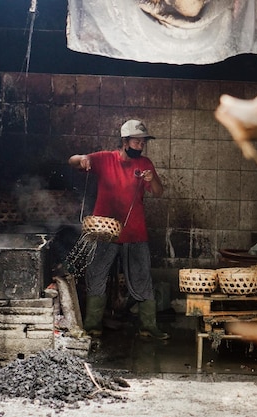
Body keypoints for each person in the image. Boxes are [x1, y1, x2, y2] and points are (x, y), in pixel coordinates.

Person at [68, 119, 169, 340]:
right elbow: (72, 161)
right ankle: (93, 326)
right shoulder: (105, 159)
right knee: (96, 275)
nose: (140, 145)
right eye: (136, 141)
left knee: (142, 276)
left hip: (135, 232)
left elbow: (159, 192)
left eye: (143, 142)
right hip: (104, 231)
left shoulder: (145, 164)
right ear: (125, 141)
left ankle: (148, 328)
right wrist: (83, 159)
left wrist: (152, 181)